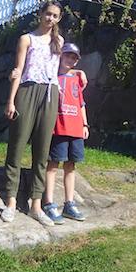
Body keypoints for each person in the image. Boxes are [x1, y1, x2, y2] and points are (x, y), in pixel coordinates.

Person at [1, 1, 70, 226]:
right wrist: (11, 101)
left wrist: (77, 72)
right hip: (28, 91)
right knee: (17, 146)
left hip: (50, 94)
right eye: (47, 14)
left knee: (42, 152)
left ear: (58, 19)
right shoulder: (26, 39)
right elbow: (18, 71)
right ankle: (10, 202)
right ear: (40, 14)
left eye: (55, 16)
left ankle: (36, 205)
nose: (50, 18)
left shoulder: (59, 41)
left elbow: (60, 69)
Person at [42, 42, 89, 223]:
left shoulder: (77, 79)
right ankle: (49, 203)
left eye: (73, 57)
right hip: (58, 128)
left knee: (71, 166)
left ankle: (69, 204)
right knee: (53, 165)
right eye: (67, 55)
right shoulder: (52, 77)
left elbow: (81, 104)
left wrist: (85, 125)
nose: (69, 59)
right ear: (60, 56)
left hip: (76, 128)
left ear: (76, 61)